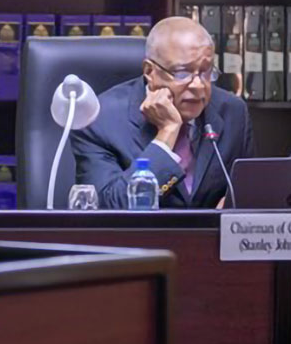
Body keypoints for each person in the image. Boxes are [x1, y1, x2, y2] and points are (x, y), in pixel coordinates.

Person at [71, 16, 255, 209]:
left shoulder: (233, 112)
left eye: (206, 72)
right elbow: (108, 208)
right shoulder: (99, 119)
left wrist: (235, 206)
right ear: (150, 71)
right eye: (182, 73)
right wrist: (166, 134)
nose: (198, 85)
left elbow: (249, 194)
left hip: (211, 238)